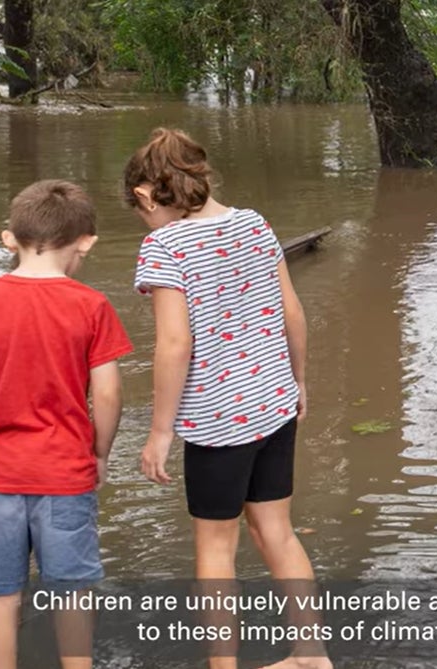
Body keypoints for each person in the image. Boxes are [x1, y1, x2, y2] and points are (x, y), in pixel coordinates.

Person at [127, 128, 330, 669]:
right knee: (276, 532)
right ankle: (310, 657)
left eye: (140, 209)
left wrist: (160, 430)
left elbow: (174, 343)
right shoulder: (254, 223)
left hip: (218, 422)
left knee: (216, 549)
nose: (144, 220)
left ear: (148, 194)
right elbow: (292, 314)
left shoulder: (164, 246)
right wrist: (299, 383)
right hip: (275, 405)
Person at [0, 179, 134, 669]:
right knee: (71, 591)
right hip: (64, 473)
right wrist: (100, 452)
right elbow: (106, 393)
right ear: (86, 241)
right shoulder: (91, 306)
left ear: (9, 238)